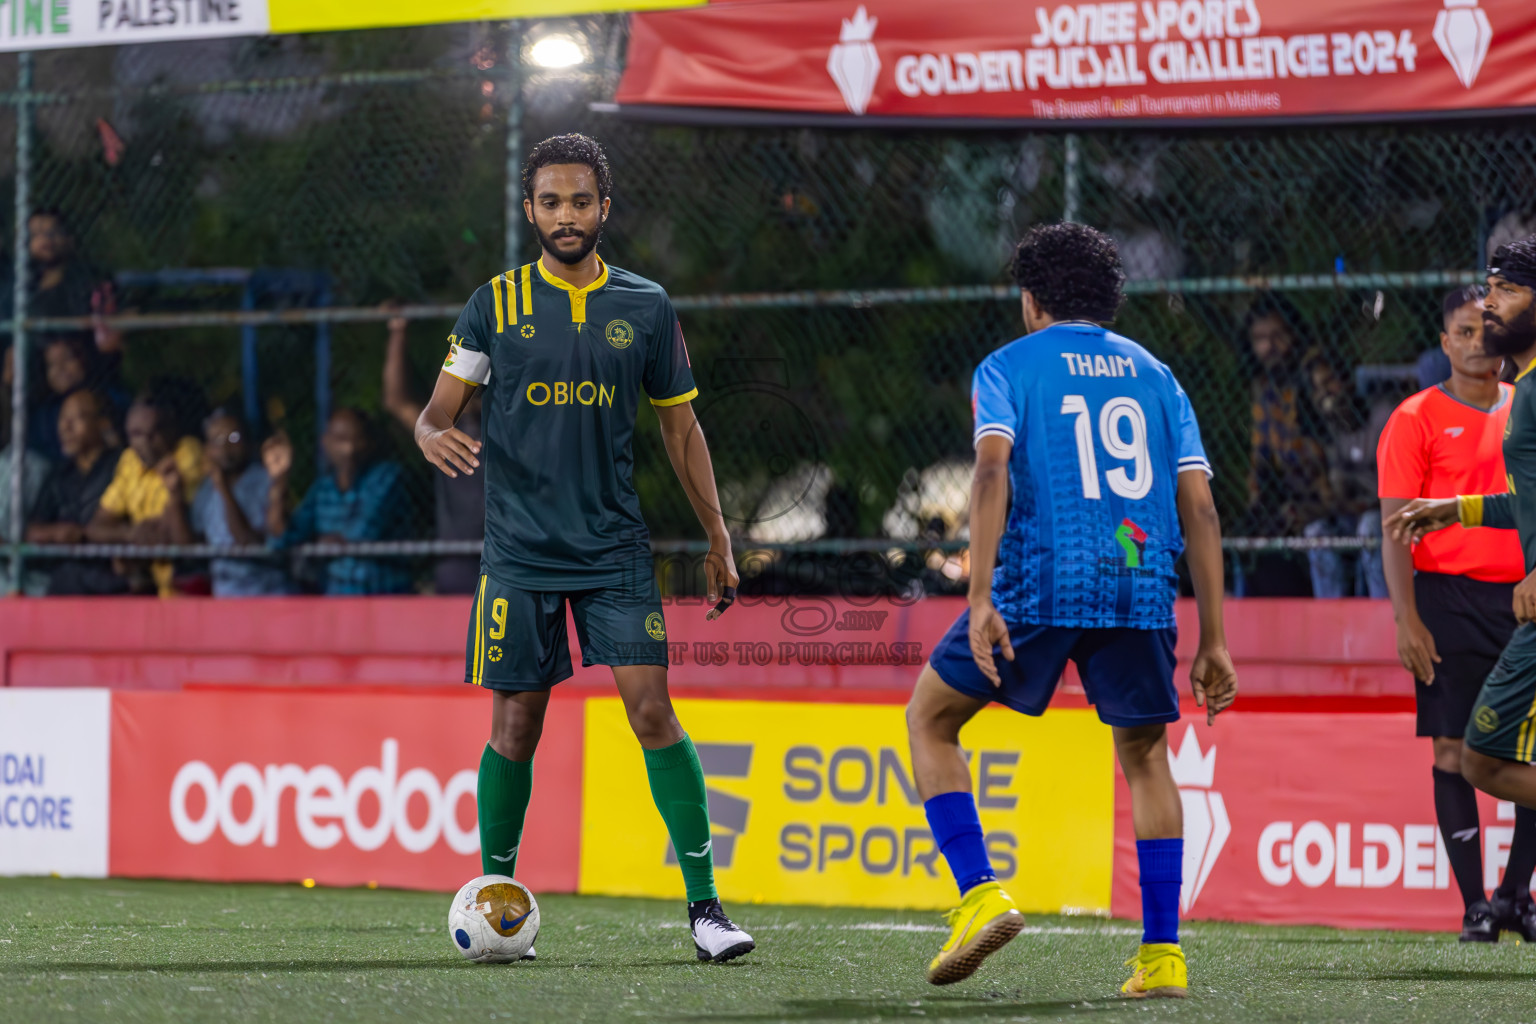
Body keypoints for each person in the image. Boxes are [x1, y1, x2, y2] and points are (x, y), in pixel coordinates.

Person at [413, 133, 752, 964]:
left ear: (606, 207)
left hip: (613, 554)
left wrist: (718, 534)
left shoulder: (647, 305)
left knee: (652, 713)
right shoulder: (492, 304)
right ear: (530, 210)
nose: (567, 215)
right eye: (551, 202)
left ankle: (707, 909)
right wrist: (429, 433)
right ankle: (500, 900)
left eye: (581, 201)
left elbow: (681, 426)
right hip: (518, 556)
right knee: (517, 728)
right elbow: (438, 409)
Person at [904, 223, 1236, 996]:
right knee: (1147, 757)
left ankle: (980, 892)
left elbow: (990, 474)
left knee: (930, 718)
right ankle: (1162, 958)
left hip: (1043, 579)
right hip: (1140, 579)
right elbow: (1202, 510)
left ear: (1031, 298)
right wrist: (1214, 640)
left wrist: (980, 593)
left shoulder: (1008, 366)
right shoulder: (1159, 375)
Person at [1378, 284, 1536, 940]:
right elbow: (1395, 525)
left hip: (1523, 598)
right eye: (1463, 332)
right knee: (1452, 748)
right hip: (1447, 599)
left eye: (1485, 328)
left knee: (1524, 750)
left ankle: (1514, 897)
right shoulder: (1415, 417)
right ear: (1443, 343)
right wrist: (1405, 616)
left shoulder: (1523, 401)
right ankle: (1475, 903)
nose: (1477, 342)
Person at [382, 305, 484, 594]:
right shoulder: (445, 427)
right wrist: (398, 331)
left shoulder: (517, 419)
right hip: (458, 559)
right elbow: (397, 401)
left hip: (515, 554)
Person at [267, 408, 413, 595]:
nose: (349, 449)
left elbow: (361, 533)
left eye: (357, 439)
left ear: (370, 443)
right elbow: (280, 539)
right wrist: (279, 482)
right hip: (338, 601)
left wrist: (313, 544)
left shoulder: (387, 477)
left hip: (384, 596)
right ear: (326, 443)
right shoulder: (323, 488)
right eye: (340, 440)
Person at [1237, 295, 1327, 595]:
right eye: (1260, 339)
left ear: (1293, 335)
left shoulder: (1312, 374)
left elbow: (1326, 453)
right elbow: (1260, 455)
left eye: (1277, 336)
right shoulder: (1263, 386)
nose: (1269, 346)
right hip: (1283, 492)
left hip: (1323, 490)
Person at [86, 387, 203, 596]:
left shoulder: (187, 452)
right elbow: (95, 527)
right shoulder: (130, 459)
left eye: (154, 433)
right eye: (137, 434)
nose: (146, 443)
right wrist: (130, 533)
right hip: (155, 587)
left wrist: (131, 543)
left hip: (192, 583)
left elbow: (170, 535)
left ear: (171, 430)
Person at [1302, 352, 1391, 598]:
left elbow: (1400, 488)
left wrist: (1361, 505)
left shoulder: (1382, 417)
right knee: (1316, 532)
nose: (1326, 393)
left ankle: (1383, 610)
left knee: (1370, 525)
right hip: (1355, 515)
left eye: (1330, 382)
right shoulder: (1332, 434)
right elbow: (1339, 493)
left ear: (1348, 382)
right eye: (1318, 389)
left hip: (1391, 514)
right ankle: (1331, 616)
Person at [27, 389, 126, 595]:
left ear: (102, 424)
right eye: (62, 419)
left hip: (111, 578)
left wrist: (88, 535)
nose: (65, 427)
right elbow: (31, 530)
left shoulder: (122, 465)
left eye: (77, 418)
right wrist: (56, 533)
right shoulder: (59, 474)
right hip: (65, 578)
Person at [191, 408, 288, 597]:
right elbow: (193, 541)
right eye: (217, 441)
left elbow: (248, 542)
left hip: (264, 590)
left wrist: (225, 491)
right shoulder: (205, 489)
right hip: (226, 592)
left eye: (234, 439)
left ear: (249, 444)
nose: (226, 448)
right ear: (208, 449)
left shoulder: (265, 481)